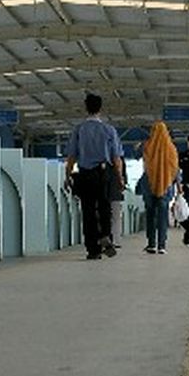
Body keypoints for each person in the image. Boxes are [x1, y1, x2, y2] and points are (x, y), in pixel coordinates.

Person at [64, 94, 123, 260]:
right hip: (103, 173)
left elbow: (71, 157)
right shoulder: (109, 130)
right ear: (100, 108)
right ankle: (105, 234)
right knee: (105, 207)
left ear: (86, 107)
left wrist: (67, 175)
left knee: (88, 210)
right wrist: (119, 178)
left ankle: (93, 249)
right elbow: (116, 159)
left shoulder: (79, 129)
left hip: (85, 174)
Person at [136, 121, 180, 254]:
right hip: (166, 187)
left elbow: (136, 156)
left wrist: (138, 148)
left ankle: (151, 244)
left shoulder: (147, 145)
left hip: (149, 185)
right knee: (162, 216)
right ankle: (162, 245)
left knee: (150, 215)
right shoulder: (172, 148)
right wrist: (178, 185)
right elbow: (175, 169)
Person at [108, 153, 126, 248]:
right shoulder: (120, 158)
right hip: (115, 190)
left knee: (105, 216)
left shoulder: (100, 157)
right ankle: (115, 240)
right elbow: (123, 177)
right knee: (116, 217)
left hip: (102, 190)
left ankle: (106, 239)